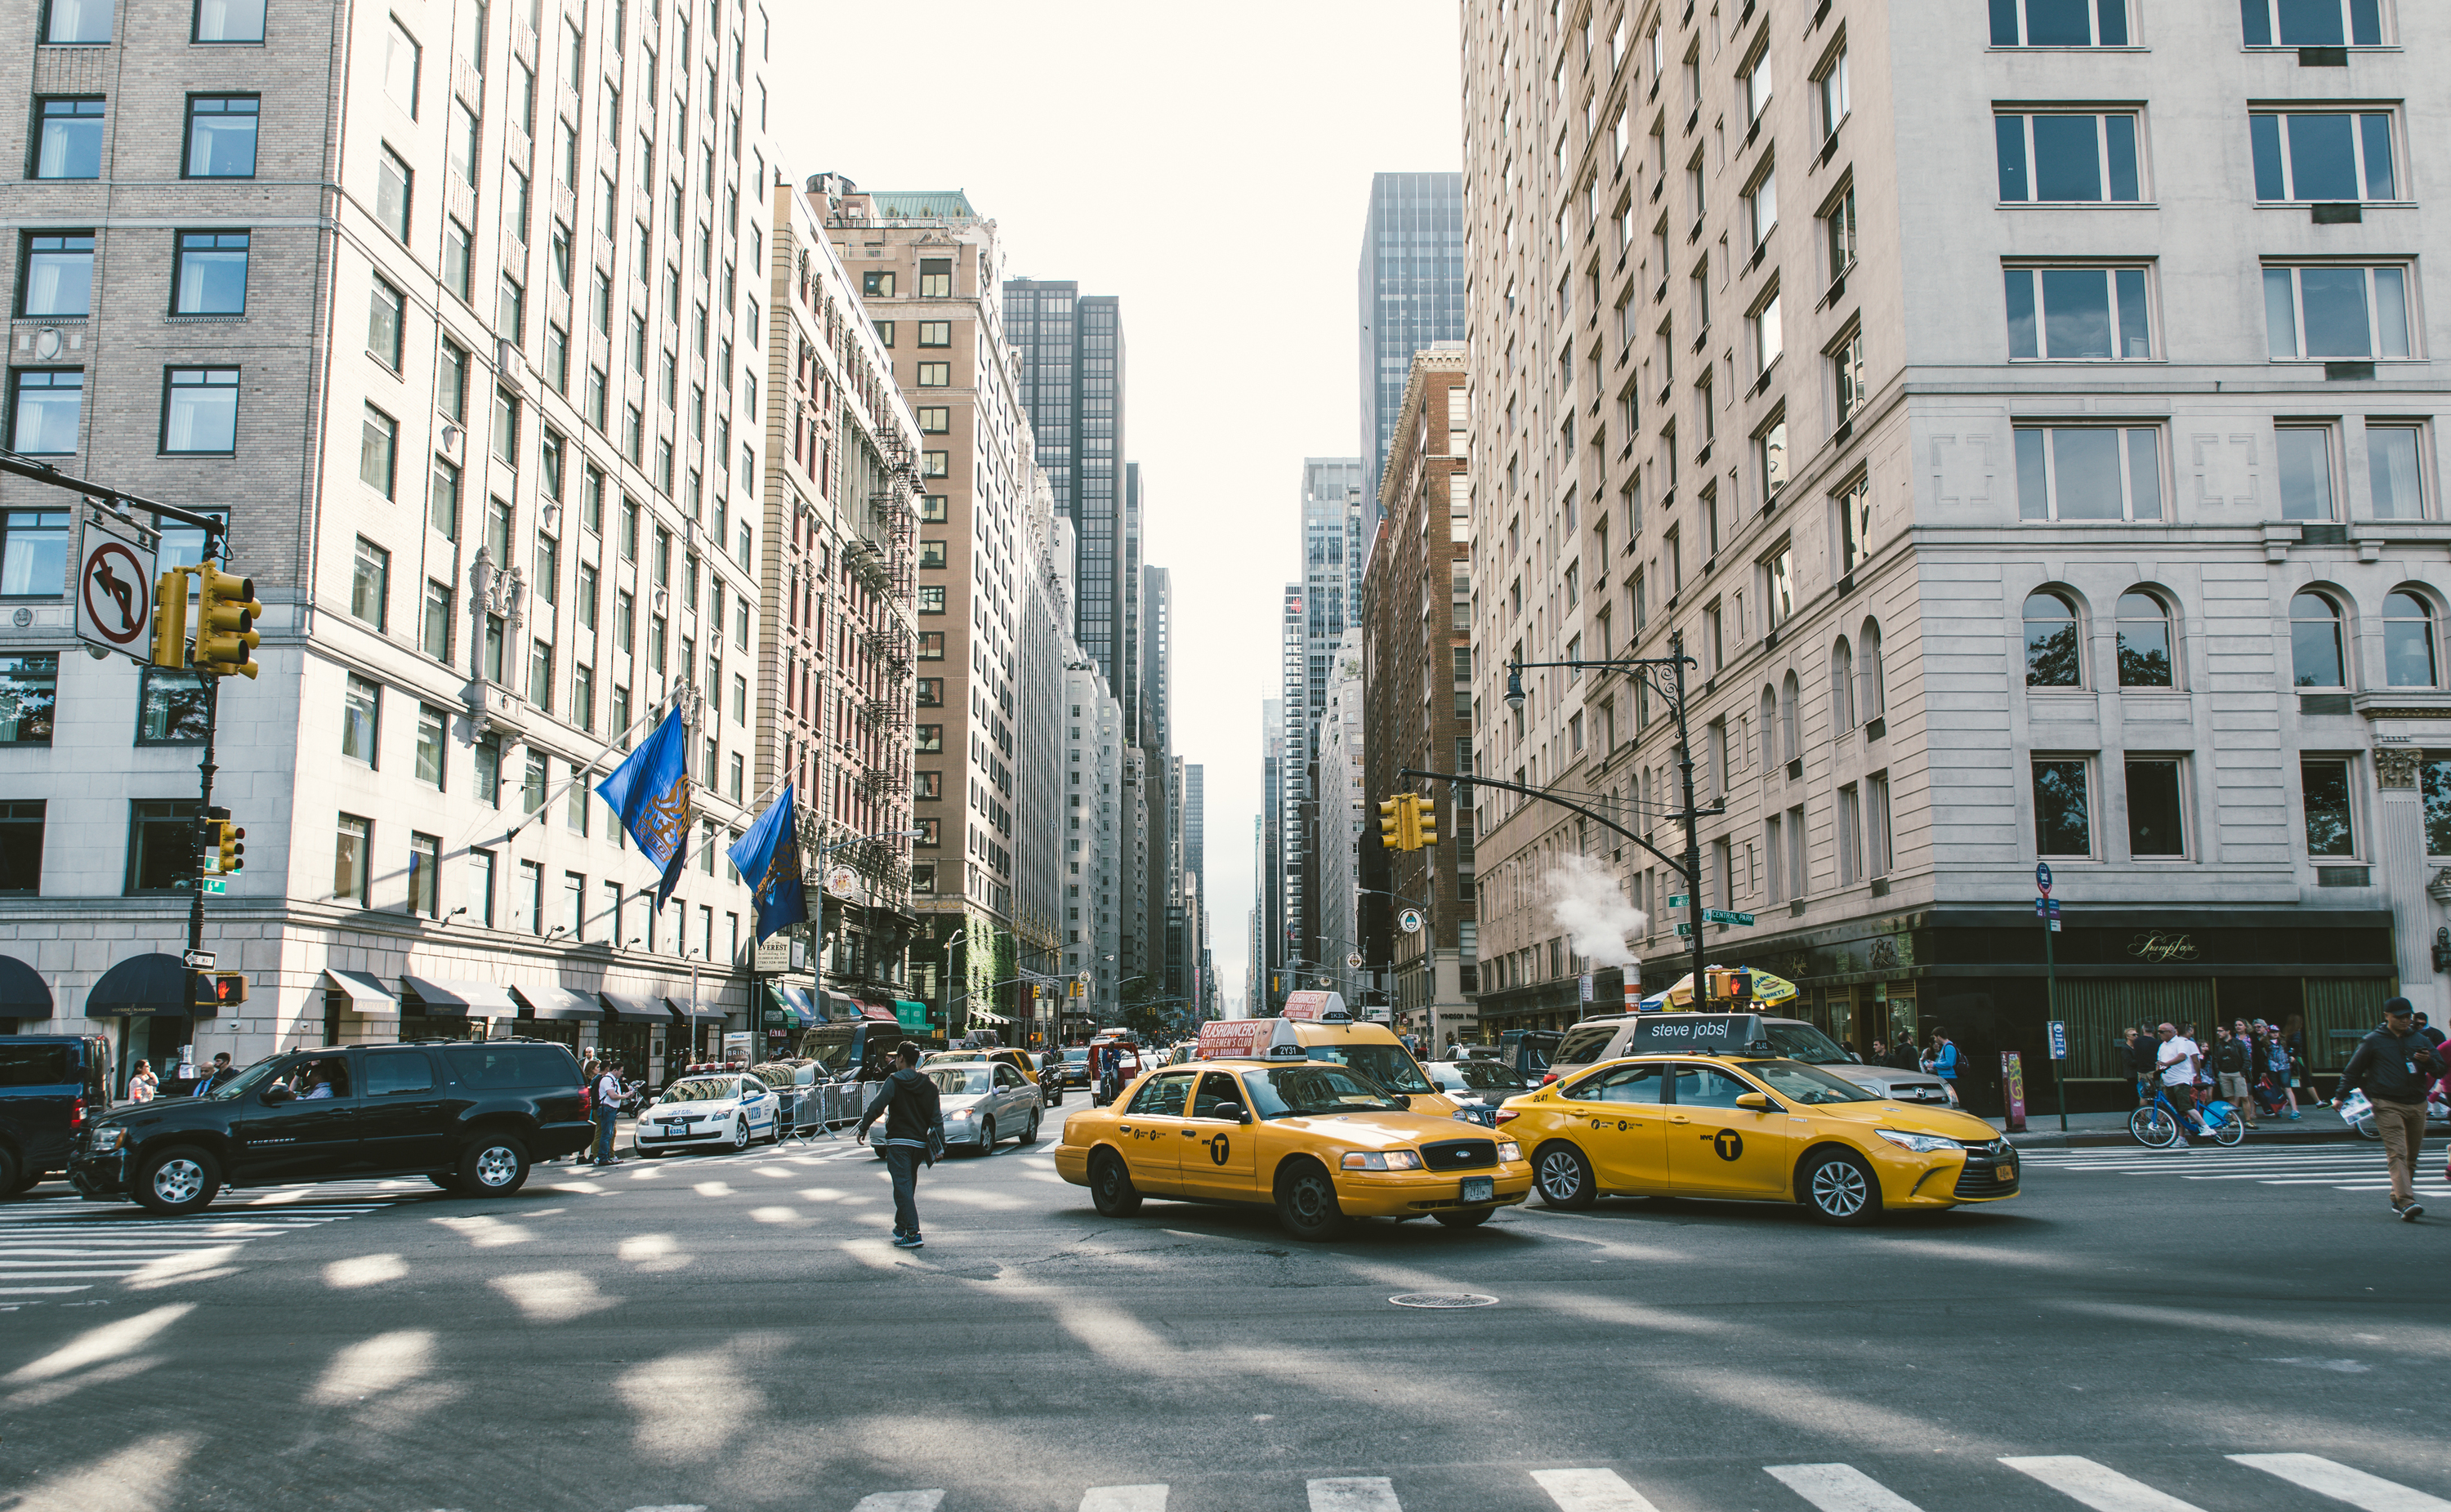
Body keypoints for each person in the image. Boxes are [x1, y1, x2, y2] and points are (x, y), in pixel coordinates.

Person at [2339, 998, 2441, 1220]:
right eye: (2400, 1017)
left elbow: (2441, 1069)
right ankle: (2407, 1201)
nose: (2405, 1021)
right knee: (2398, 1152)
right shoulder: (2373, 1041)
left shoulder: (2420, 1039)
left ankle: (2397, 1197)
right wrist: (2339, 1096)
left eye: (2408, 1017)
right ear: (2387, 1016)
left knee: (2412, 1157)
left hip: (2417, 1103)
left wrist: (2429, 1061)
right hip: (2386, 1103)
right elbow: (2352, 1071)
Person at [855, 1041, 943, 1248]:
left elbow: (877, 1105)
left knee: (902, 1187)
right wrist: (940, 1146)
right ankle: (900, 1227)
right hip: (919, 1145)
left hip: (898, 1142)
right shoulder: (930, 1085)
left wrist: (863, 1128)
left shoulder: (893, 1081)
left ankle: (913, 1232)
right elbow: (936, 1119)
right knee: (907, 1185)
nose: (895, 1060)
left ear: (902, 1059)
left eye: (896, 1057)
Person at [2153, 1023, 2208, 1140]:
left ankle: (2205, 1127)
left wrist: (2197, 1075)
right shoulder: (2162, 1046)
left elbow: (2184, 1057)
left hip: (2181, 1079)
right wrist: (2157, 1075)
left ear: (2170, 1032)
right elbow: (2160, 1062)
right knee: (2177, 1111)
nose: (2159, 1034)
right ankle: (2181, 1138)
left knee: (2184, 1106)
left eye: (2161, 1032)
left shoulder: (2182, 1043)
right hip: (2169, 1081)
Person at [2212, 1026, 2258, 1130]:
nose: (2218, 1033)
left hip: (2237, 1072)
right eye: (2217, 1031)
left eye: (2221, 1031)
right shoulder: (2218, 1045)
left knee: (2244, 1097)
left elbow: (2246, 1058)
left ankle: (2248, 1120)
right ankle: (2234, 1120)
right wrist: (2218, 1072)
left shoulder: (2238, 1043)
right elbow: (2215, 1059)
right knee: (2230, 1097)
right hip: (2224, 1073)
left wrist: (2242, 1072)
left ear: (2228, 1031)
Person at [590, 1059, 623, 1166]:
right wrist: (625, 1096)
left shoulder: (612, 1079)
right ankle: (600, 1157)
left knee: (609, 1133)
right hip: (605, 1108)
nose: (622, 1073)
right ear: (612, 1070)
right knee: (604, 1133)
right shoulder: (605, 1079)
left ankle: (607, 1155)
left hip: (608, 1109)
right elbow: (612, 1095)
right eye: (621, 1071)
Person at [1929, 1031, 1961, 1105]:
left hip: (1949, 1077)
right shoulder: (1946, 1046)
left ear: (1939, 1037)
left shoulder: (1948, 1047)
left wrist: (1935, 1064)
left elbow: (1949, 1063)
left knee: (1950, 1101)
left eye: (1935, 1037)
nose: (1935, 1040)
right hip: (1946, 1076)